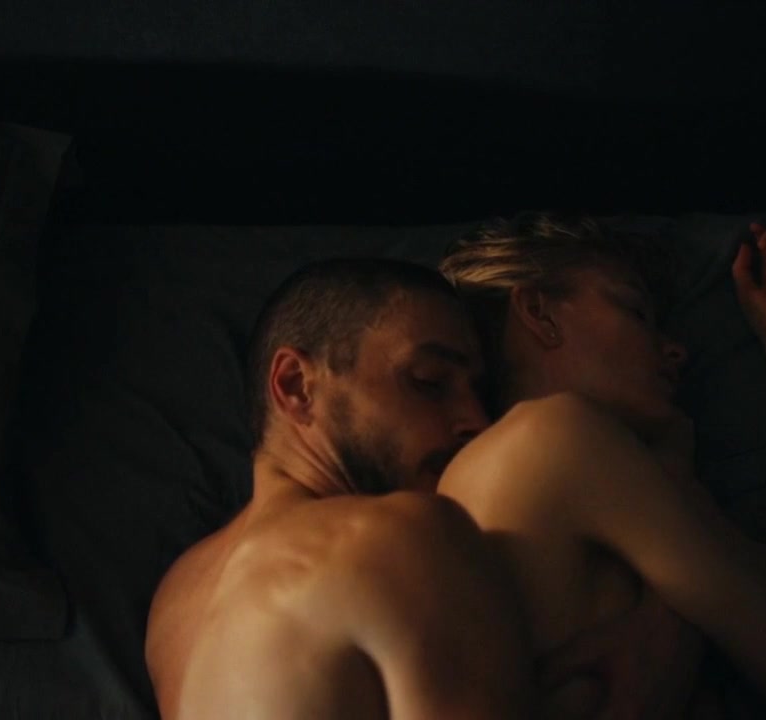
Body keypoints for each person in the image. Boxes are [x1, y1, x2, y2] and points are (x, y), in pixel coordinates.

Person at [437, 214, 766, 718]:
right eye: (635, 312)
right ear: (540, 313)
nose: (675, 350)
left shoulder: (545, 470)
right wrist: (675, 469)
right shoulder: (552, 434)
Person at [145, 259, 536, 720]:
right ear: (296, 386)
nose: (478, 421)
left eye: (479, 393)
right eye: (429, 381)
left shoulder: (175, 598)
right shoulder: (399, 535)